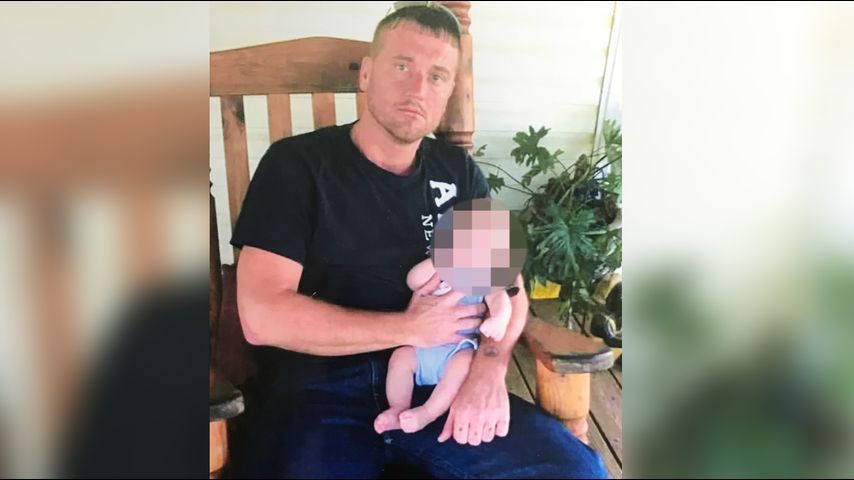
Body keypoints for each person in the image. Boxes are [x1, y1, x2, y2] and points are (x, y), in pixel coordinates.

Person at [230, 4, 608, 478]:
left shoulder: (459, 172)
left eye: (437, 76)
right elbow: (261, 316)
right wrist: (408, 328)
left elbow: (509, 288)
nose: (418, 89)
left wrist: (489, 367)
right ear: (367, 74)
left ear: (448, 92)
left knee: (574, 472)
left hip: (442, 381)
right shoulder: (297, 165)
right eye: (402, 66)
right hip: (319, 393)